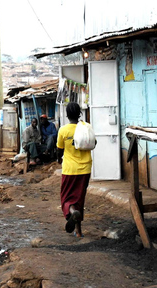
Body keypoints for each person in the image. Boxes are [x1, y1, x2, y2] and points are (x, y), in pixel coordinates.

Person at [57, 102, 93, 238]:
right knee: (79, 199)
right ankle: (78, 232)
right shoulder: (87, 127)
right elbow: (93, 143)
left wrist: (58, 159)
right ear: (79, 114)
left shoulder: (63, 130)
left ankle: (72, 212)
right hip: (85, 169)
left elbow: (59, 150)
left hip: (70, 170)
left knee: (67, 199)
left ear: (67, 114)